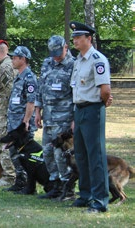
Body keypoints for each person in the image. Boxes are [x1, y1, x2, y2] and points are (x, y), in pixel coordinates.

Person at [69, 21, 112, 213]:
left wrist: (101, 103)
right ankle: (85, 195)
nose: (75, 40)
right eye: (74, 38)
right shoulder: (78, 60)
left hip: (93, 109)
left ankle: (100, 199)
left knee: (96, 155)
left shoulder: (97, 59)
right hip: (79, 109)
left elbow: (105, 89)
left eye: (78, 37)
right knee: (81, 154)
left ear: (89, 38)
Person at [35, 35, 75, 200]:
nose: (56, 56)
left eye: (59, 52)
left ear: (66, 47)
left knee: (61, 155)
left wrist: (74, 120)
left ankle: (68, 188)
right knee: (48, 152)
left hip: (65, 118)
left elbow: (76, 94)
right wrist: (38, 110)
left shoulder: (74, 65)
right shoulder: (47, 63)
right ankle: (55, 185)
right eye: (53, 52)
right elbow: (40, 88)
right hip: (49, 118)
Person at [6, 46, 38, 192]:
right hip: (14, 123)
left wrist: (26, 121)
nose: (12, 60)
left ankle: (27, 183)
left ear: (23, 59)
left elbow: (31, 102)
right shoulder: (19, 76)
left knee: (24, 154)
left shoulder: (29, 78)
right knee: (14, 152)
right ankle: (20, 181)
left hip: (21, 125)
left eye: (15, 57)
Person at [0, 40, 16, 187]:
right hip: (1, 112)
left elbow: (9, 92)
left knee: (3, 143)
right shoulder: (1, 66)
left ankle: (10, 176)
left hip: (5, 113)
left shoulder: (5, 67)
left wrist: (6, 112)